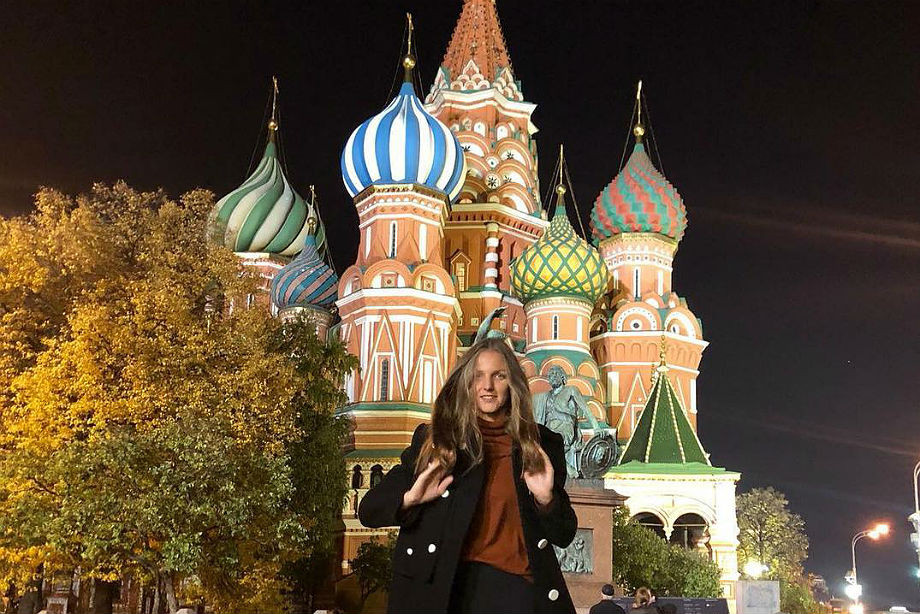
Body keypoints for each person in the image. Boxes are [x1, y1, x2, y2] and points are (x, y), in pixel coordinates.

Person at [358, 337, 578, 614]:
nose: (487, 386)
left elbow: (565, 533)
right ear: (466, 383)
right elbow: (369, 510)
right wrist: (410, 498)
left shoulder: (540, 445)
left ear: (513, 384)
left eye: (499, 376)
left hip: (515, 590)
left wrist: (546, 500)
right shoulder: (438, 441)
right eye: (478, 377)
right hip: (448, 590)